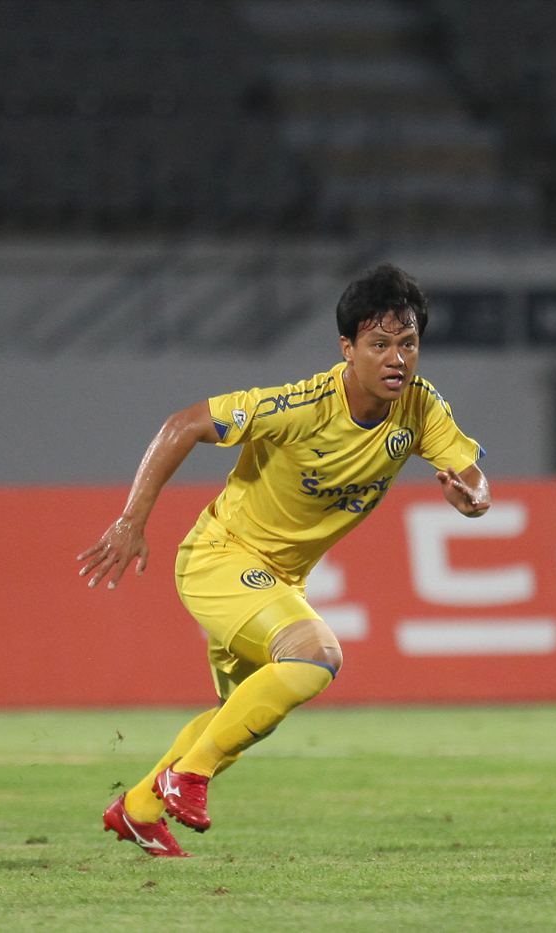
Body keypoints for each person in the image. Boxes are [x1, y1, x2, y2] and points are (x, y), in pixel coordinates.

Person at [80, 264, 490, 858]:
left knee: (242, 716)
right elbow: (184, 424)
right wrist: (131, 521)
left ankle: (140, 809)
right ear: (347, 348)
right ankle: (185, 776)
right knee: (317, 655)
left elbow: (471, 477)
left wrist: (472, 498)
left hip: (279, 580)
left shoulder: (420, 408)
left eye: (408, 343)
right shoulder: (300, 406)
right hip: (221, 558)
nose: (397, 359)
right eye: (379, 344)